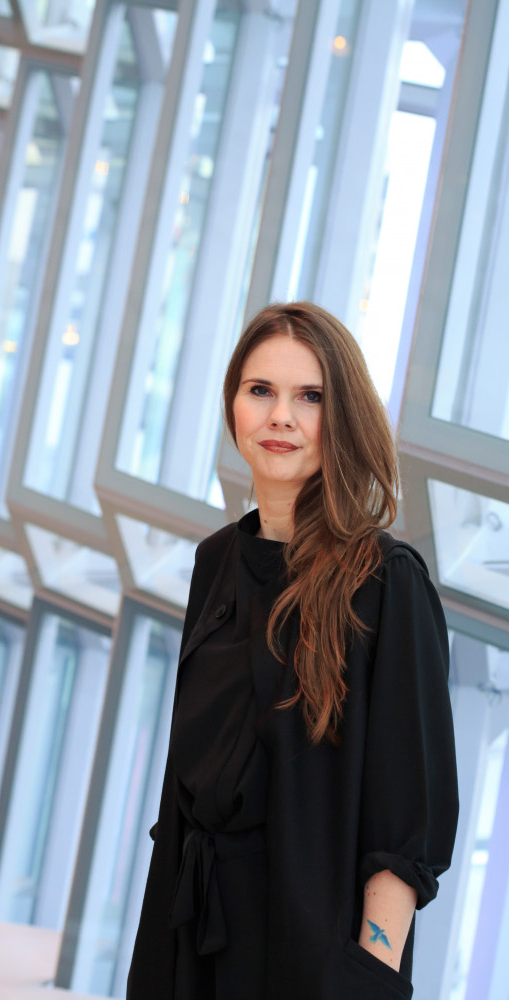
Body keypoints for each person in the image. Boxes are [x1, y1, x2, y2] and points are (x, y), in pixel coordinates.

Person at [127, 302, 459, 1000]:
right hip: (195, 940)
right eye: (261, 391)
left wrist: (366, 975)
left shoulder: (385, 582)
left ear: (341, 419)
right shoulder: (216, 561)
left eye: (310, 397)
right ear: (233, 407)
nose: (281, 417)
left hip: (313, 960)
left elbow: (407, 829)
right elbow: (185, 786)